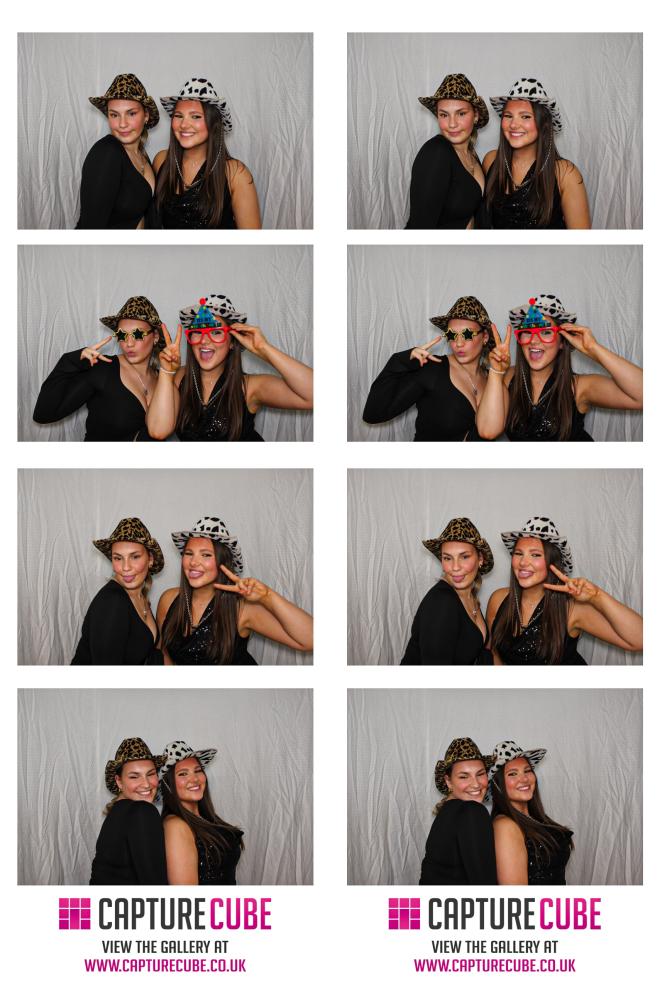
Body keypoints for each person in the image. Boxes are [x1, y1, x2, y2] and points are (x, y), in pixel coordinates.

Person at [475, 294, 643, 441]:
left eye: (546, 332)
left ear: (562, 341)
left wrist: (593, 349)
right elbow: (487, 431)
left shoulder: (579, 387)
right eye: (528, 332)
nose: (534, 341)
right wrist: (496, 372)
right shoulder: (507, 377)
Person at [146, 294, 313, 441]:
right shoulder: (177, 377)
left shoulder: (249, 387)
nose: (205, 341)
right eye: (198, 332)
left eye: (216, 332)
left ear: (232, 342)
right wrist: (166, 372)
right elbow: (157, 431)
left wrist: (264, 349)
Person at [157, 516, 313, 665]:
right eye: (189, 553)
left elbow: (310, 640)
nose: (193, 562)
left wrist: (267, 596)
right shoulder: (169, 599)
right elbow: (164, 652)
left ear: (223, 562)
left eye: (206, 555)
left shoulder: (241, 609)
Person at [487, 516, 643, 665]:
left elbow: (640, 640)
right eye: (518, 553)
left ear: (552, 562)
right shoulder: (498, 599)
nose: (523, 562)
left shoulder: (571, 609)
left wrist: (597, 596)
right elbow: (494, 652)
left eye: (535, 555)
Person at [33, 296, 166, 441]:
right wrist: (71, 361)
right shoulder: (103, 370)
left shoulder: (164, 378)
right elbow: (43, 414)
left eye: (137, 334)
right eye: (122, 335)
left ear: (155, 336)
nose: (129, 343)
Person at [363, 296, 492, 440]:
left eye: (467, 334)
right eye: (452, 334)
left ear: (485, 337)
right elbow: (373, 414)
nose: (458, 343)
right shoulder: (432, 370)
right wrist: (400, 361)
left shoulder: (493, 379)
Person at [153, 78, 261, 229]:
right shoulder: (161, 161)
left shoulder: (235, 174)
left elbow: (251, 239)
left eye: (196, 116)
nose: (184, 124)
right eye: (178, 116)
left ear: (213, 123)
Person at [483, 79, 591, 229]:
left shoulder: (565, 174)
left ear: (543, 123)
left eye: (525, 116)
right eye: (508, 116)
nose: (513, 124)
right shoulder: (491, 161)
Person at [72, 518, 164, 665]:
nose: (125, 567)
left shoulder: (140, 596)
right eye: (118, 558)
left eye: (135, 557)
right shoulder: (112, 602)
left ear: (150, 559)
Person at [402, 518, 494, 665]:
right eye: (447, 558)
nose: (455, 567)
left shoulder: (469, 596)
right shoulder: (442, 602)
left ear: (480, 559)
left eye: (464, 557)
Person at [406, 74, 488, 229]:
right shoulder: (436, 153)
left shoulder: (471, 154)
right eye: (444, 115)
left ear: (476, 115)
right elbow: (420, 228)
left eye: (461, 113)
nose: (452, 124)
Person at [77, 74, 158, 229]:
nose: (122, 124)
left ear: (146, 115)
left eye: (131, 113)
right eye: (114, 115)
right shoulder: (107, 153)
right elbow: (91, 228)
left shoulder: (141, 154)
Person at [160, 740, 243, 885]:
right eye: (183, 774)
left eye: (198, 770)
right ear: (169, 785)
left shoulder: (205, 818)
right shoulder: (175, 825)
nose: (194, 779)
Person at [489, 740, 573, 885]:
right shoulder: (505, 826)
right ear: (498, 785)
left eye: (527, 771)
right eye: (512, 774)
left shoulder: (535, 818)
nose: (524, 778)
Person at [90, 738, 167, 885]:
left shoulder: (117, 812)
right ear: (119, 781)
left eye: (150, 774)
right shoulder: (143, 811)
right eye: (134, 776)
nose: (146, 784)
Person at [420, 737, 497, 884]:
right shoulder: (473, 811)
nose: (476, 784)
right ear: (448, 781)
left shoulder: (447, 812)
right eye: (464, 776)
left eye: (480, 774)